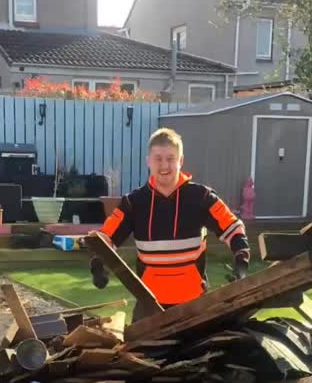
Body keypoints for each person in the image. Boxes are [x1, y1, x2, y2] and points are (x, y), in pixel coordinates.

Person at [88, 127, 250, 322]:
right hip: (149, 306)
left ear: (180, 161)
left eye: (171, 158)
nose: (164, 165)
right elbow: (106, 237)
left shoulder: (202, 197)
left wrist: (241, 262)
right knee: (137, 353)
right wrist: (98, 264)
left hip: (194, 305)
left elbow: (232, 226)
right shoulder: (133, 203)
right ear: (148, 161)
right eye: (158, 158)